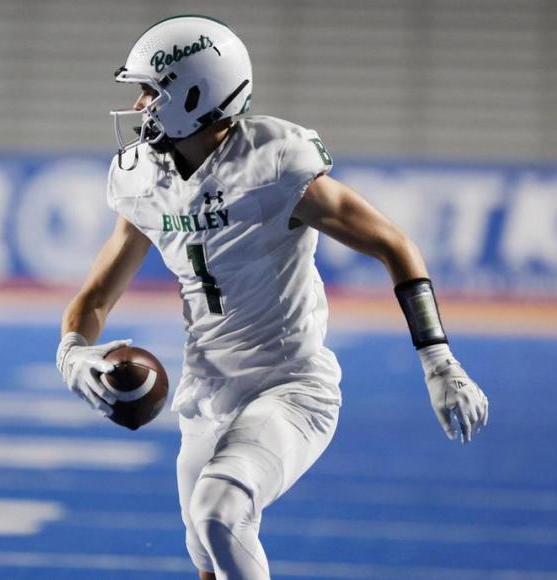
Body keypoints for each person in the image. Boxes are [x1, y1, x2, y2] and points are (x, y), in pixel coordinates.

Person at [56, 15, 489, 580]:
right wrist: (72, 353)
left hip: (292, 388)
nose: (140, 105)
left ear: (195, 93)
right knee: (209, 554)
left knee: (219, 512)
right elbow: (95, 296)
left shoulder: (274, 162)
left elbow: (393, 244)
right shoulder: (143, 177)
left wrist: (439, 359)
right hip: (207, 394)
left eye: (151, 90)